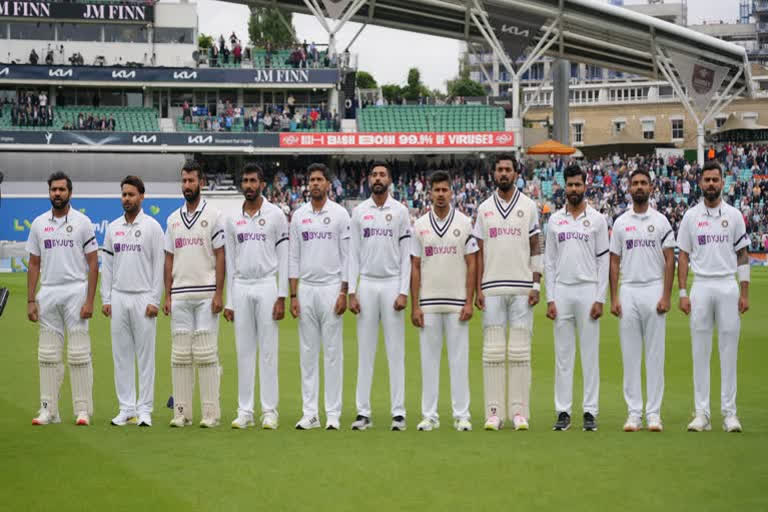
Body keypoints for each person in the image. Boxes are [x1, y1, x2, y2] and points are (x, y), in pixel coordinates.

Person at [677, 161, 750, 433]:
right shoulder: (690, 217)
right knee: (700, 351)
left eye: (715, 179)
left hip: (727, 285)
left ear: (723, 182)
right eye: (706, 179)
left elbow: (742, 254)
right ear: (700, 183)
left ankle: (730, 414)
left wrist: (744, 292)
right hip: (702, 285)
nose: (710, 184)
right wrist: (683, 292)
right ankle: (702, 413)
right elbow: (683, 255)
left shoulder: (734, 215)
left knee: (728, 351)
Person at [473, 154, 541, 431]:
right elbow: (477, 252)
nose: (503, 173)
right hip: (491, 287)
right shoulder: (484, 208)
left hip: (522, 286)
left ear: (516, 173)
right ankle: (493, 412)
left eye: (508, 169)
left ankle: (519, 412)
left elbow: (537, 246)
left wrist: (536, 284)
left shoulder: (528, 205)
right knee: (492, 351)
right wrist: (477, 288)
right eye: (499, 169)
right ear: (494, 173)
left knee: (520, 351)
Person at [26, 171, 99, 425]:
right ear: (49, 192)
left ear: (70, 192)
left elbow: (93, 263)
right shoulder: (38, 223)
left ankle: (82, 410)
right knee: (47, 354)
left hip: (75, 290)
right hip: (48, 291)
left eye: (61, 189)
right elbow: (34, 264)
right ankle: (48, 409)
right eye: (53, 190)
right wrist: (30, 300)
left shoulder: (82, 222)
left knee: (79, 353)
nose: (57, 194)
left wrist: (90, 300)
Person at [609, 169, 676, 433]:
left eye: (643, 183)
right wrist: (613, 296)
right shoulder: (621, 222)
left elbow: (670, 259)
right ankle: (633, 413)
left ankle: (654, 414)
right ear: (628, 188)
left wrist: (667, 296)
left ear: (651, 188)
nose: (639, 187)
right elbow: (614, 261)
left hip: (653, 289)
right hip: (628, 290)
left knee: (655, 355)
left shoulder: (661, 221)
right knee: (630, 355)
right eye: (635, 183)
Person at [223, 163, 289, 430]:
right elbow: (229, 260)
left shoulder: (275, 215)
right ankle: (245, 410)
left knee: (268, 351)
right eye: (245, 181)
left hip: (266, 285)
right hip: (241, 286)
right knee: (244, 351)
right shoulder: (232, 218)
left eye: (253, 181)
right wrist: (229, 300)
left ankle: (269, 411)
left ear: (262, 184)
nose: (249, 185)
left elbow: (284, 258)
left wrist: (282, 295)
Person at [410, 171, 477, 432]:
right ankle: (430, 415)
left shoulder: (464, 222)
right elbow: (414, 266)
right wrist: (415, 305)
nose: (440, 194)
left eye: (444, 190)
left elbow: (472, 263)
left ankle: (462, 415)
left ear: (452, 192)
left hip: (457, 302)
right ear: (430, 193)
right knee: (429, 361)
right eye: (436, 190)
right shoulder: (419, 225)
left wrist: (469, 301)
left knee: (459, 360)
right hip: (428, 303)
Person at [544, 165, 609, 432]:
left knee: (590, 354)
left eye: (578, 185)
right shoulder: (554, 220)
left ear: (585, 185)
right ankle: (563, 411)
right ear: (564, 186)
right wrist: (550, 297)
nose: (574, 189)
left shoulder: (597, 219)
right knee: (563, 355)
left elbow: (603, 259)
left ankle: (590, 412)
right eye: (570, 185)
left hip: (587, 290)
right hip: (562, 290)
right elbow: (549, 261)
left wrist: (600, 297)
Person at [348, 162, 411, 431]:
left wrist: (404, 291)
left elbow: (407, 253)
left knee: (395, 351)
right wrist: (351, 290)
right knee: (366, 351)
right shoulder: (359, 211)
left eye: (382, 175)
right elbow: (352, 253)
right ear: (369, 180)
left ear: (390, 180)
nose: (377, 178)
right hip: (368, 284)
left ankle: (399, 413)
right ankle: (363, 413)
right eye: (374, 175)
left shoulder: (400, 211)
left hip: (391, 284)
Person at [163, 161, 226, 428]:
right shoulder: (173, 219)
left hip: (205, 293)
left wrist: (219, 293)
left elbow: (221, 256)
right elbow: (168, 259)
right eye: (184, 181)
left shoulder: (213, 215)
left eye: (191, 181)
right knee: (180, 354)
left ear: (201, 183)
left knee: (206, 353)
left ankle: (210, 413)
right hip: (180, 294)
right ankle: (181, 412)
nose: (187, 185)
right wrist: (167, 295)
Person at [288, 163, 350, 431]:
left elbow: (348, 256)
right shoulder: (299, 215)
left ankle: (333, 414)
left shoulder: (339, 214)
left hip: (331, 287)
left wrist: (344, 291)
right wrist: (292, 294)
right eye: (311, 179)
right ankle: (310, 413)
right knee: (308, 353)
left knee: (333, 353)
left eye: (319, 180)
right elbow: (293, 256)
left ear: (328, 184)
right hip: (306, 289)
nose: (314, 183)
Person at [100, 176, 164, 427]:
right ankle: (126, 408)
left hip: (143, 297)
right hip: (119, 296)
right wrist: (106, 298)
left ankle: (144, 409)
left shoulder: (152, 227)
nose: (126, 199)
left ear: (142, 197)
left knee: (145, 357)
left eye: (131, 195)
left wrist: (154, 300)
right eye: (124, 195)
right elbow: (108, 265)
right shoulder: (113, 227)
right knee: (121, 356)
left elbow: (159, 266)